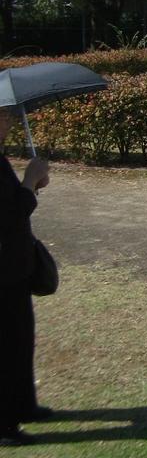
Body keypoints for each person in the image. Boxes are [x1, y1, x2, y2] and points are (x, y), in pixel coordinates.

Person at [0, 108, 52, 447]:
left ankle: (23, 405)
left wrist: (31, 187)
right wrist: (29, 182)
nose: (9, 122)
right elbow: (9, 213)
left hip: (14, 267)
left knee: (22, 336)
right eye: (3, 117)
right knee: (7, 344)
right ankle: (5, 425)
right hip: (3, 268)